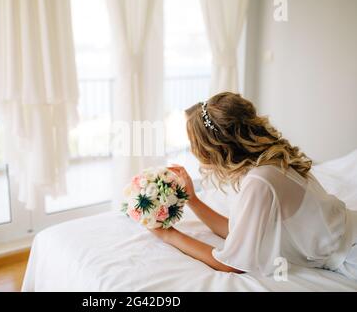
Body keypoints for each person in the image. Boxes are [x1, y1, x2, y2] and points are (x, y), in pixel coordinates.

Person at [150, 92, 357, 279]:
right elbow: (238, 232)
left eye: (195, 144)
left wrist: (168, 234)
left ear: (214, 147)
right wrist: (193, 200)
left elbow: (232, 264)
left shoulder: (260, 181)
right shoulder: (267, 163)